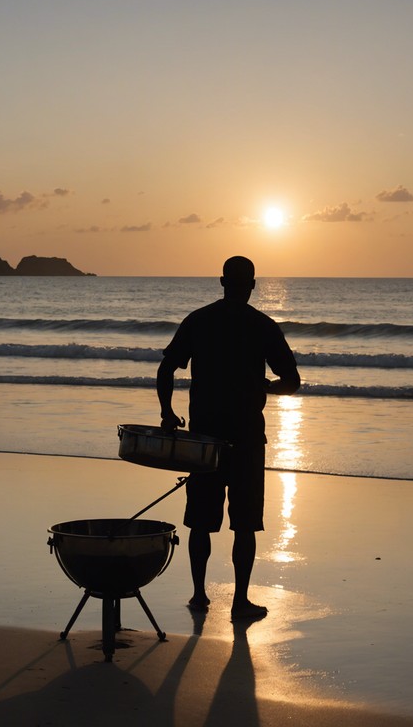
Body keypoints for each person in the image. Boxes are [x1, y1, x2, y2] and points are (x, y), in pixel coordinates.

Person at [157, 256, 301, 621]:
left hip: (204, 436)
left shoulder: (199, 320)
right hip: (247, 437)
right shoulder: (263, 325)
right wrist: (269, 386)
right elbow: (292, 382)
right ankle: (239, 602)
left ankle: (199, 594)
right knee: (246, 523)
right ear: (252, 285)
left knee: (200, 519)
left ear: (222, 281)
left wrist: (167, 413)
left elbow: (166, 367)